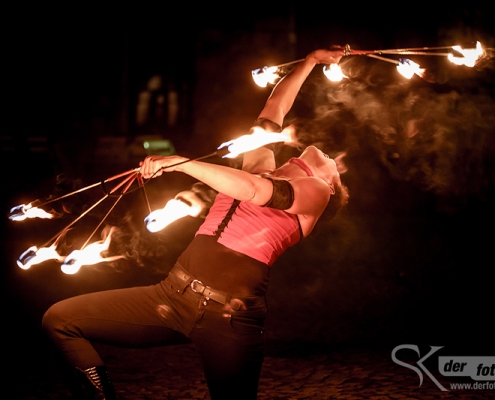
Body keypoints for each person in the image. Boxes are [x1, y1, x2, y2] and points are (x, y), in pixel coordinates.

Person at [42, 48, 349, 400]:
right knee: (60, 319)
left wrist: (180, 164)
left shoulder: (317, 193)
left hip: (228, 316)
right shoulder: (260, 163)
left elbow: (253, 190)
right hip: (172, 296)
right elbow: (273, 112)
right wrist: (310, 62)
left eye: (337, 168)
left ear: (333, 187)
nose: (331, 157)